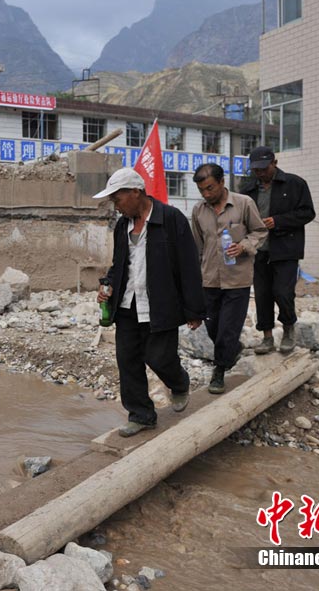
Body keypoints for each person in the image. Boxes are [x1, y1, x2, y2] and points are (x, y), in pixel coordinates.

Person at [95, 168, 206, 437]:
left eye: (118, 199)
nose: (116, 205)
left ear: (136, 192)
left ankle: (179, 383)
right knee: (128, 360)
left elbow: (189, 266)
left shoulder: (171, 219)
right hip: (127, 303)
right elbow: (119, 264)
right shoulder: (123, 225)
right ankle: (141, 414)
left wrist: (194, 309)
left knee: (158, 356)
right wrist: (107, 284)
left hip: (161, 303)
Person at [191, 163, 267, 394]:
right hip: (209, 280)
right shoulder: (198, 211)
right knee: (213, 328)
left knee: (228, 329)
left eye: (210, 188)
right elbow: (196, 246)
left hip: (238, 280)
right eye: (202, 190)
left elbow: (260, 231)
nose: (206, 194)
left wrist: (243, 246)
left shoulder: (244, 204)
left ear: (222, 182)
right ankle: (232, 350)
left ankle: (219, 372)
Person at [240, 147, 316, 354]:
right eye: (256, 170)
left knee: (283, 292)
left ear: (274, 162)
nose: (261, 173)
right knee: (262, 295)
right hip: (258, 250)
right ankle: (266, 336)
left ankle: (289, 329)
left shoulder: (294, 184)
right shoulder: (247, 189)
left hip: (285, 249)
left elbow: (307, 213)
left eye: (264, 168)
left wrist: (279, 221)